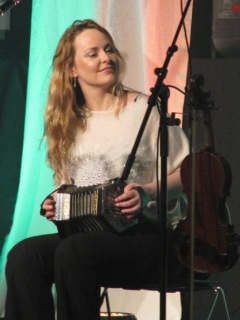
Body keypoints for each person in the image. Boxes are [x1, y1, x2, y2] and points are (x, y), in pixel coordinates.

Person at [5, 19, 189, 320]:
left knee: (74, 251)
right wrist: (56, 202)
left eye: (109, 49)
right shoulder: (68, 124)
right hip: (91, 238)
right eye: (93, 53)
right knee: (24, 256)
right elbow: (73, 187)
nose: (106, 57)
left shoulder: (144, 111)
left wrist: (146, 193)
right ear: (72, 69)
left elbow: (189, 174)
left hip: (151, 239)